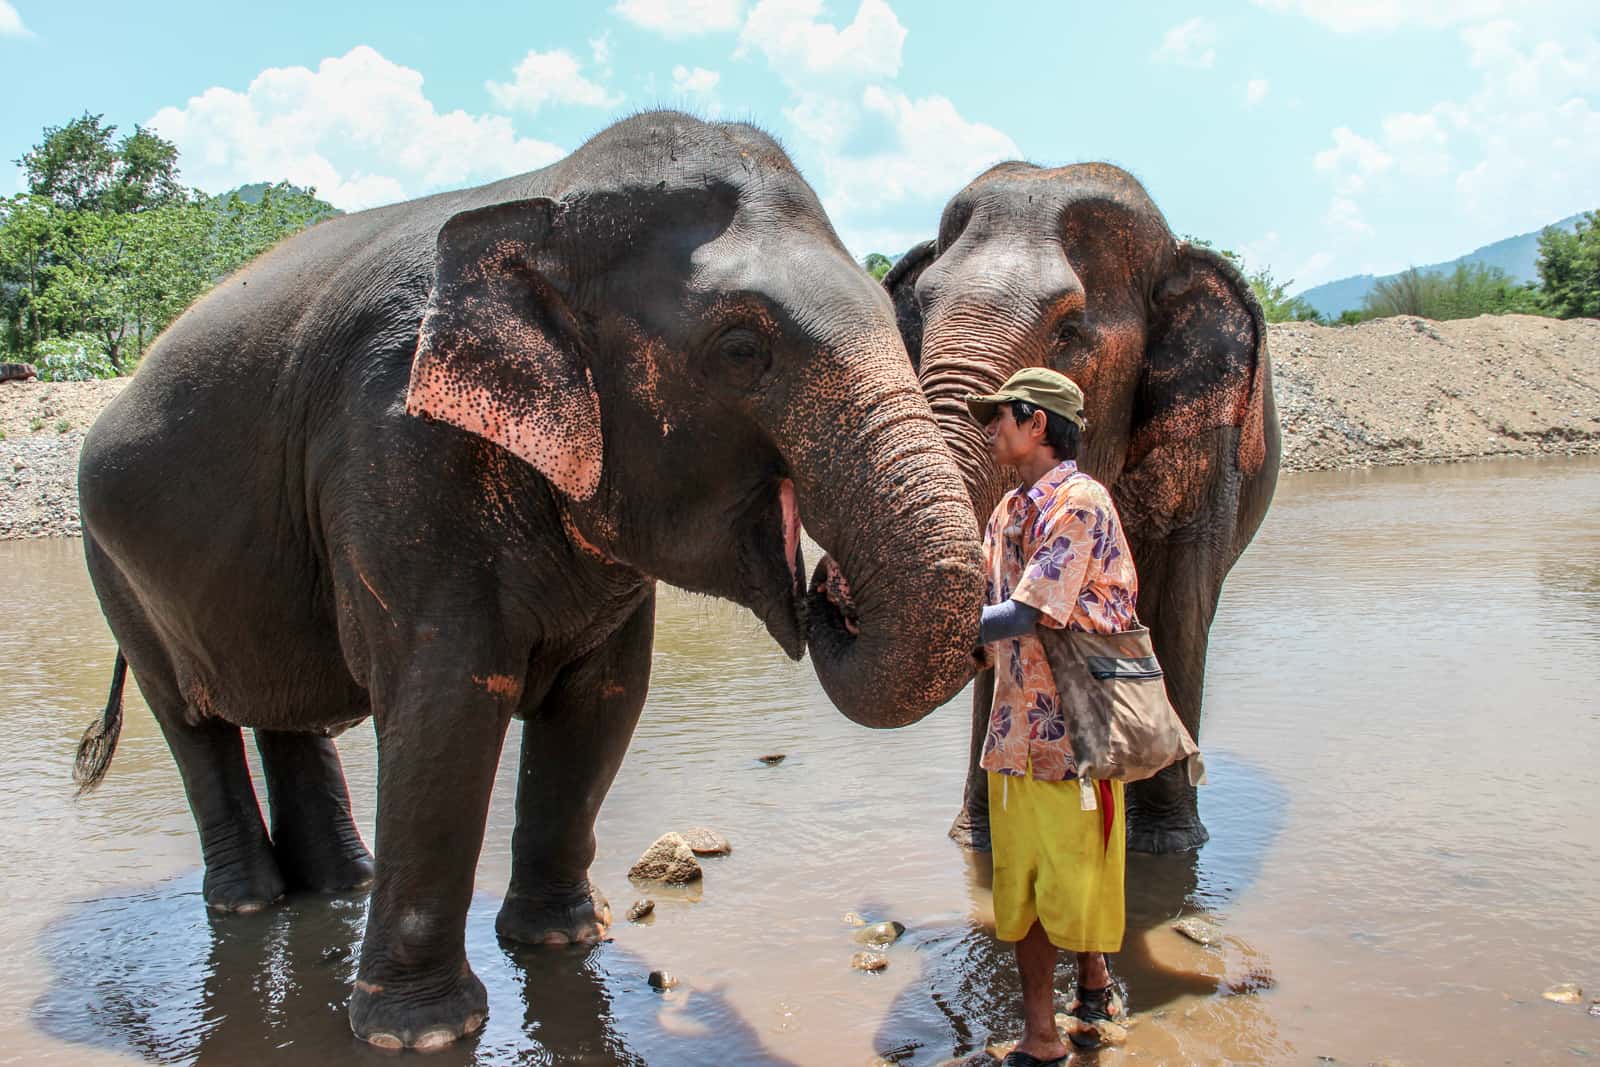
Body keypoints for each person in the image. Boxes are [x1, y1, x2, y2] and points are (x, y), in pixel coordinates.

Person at [966, 367, 1140, 1064]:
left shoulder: (1081, 503)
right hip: (1013, 739)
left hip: (1077, 741)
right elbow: (982, 612)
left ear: (1036, 422)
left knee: (1081, 883)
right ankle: (1044, 1035)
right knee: (1025, 894)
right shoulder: (1007, 513)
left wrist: (941, 625)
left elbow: (1027, 612)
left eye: (999, 416)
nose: (990, 429)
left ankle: (1093, 983)